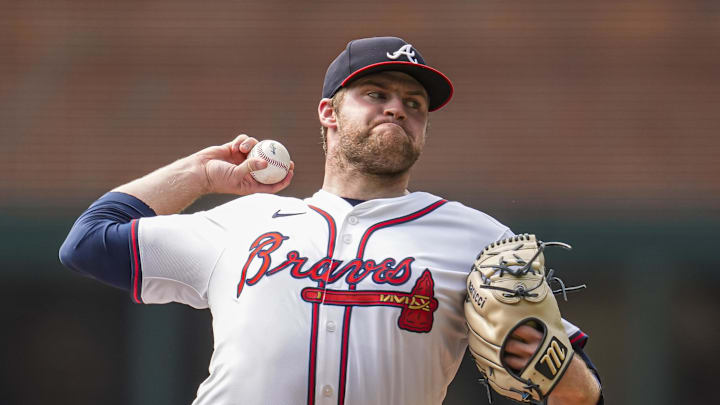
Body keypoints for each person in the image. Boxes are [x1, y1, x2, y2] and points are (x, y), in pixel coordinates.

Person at [60, 36, 602, 405]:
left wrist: (544, 354)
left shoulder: (479, 240)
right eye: (376, 94)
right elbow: (88, 242)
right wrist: (201, 173)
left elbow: (580, 395)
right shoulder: (244, 222)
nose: (398, 109)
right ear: (329, 113)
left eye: (414, 103)